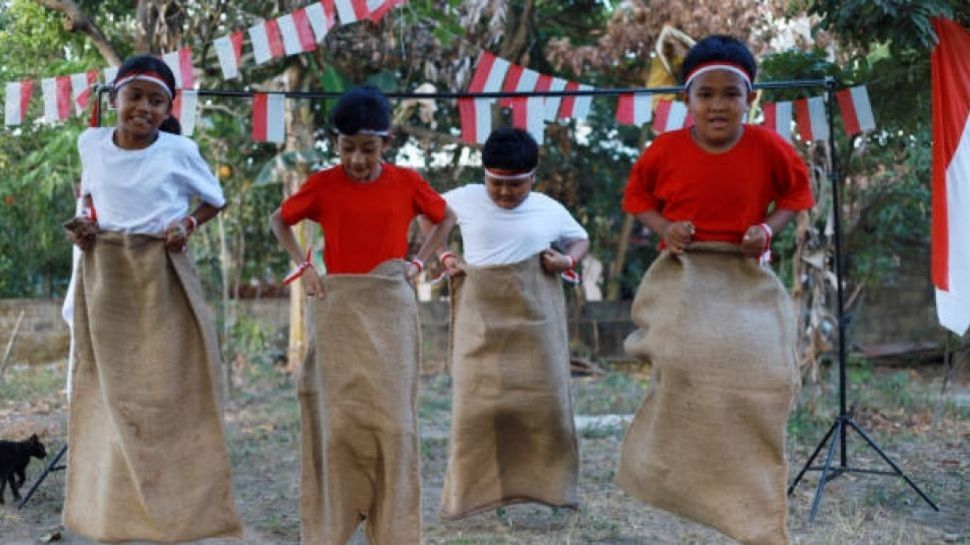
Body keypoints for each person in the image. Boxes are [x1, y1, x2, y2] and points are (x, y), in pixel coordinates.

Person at [616, 35, 814, 545]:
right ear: (687, 100)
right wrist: (665, 227)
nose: (719, 105)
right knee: (682, 359)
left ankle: (746, 489)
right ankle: (672, 469)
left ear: (751, 100)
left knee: (768, 374)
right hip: (687, 272)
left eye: (732, 94)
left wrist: (769, 229)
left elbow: (796, 194)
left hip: (745, 274)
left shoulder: (770, 146)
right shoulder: (664, 150)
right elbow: (637, 198)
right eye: (706, 94)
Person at [62, 55, 241, 542]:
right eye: (134, 96)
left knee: (166, 394)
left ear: (168, 108)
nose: (143, 108)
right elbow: (91, 199)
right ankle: (109, 512)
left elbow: (215, 200)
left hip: (160, 273)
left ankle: (178, 511)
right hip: (105, 275)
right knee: (107, 393)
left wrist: (186, 223)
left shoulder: (180, 150)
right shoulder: (90, 143)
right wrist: (85, 229)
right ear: (114, 98)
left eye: (156, 100)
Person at [269, 86, 456, 545]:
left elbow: (446, 217)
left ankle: (391, 526)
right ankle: (336, 519)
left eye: (367, 149)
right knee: (340, 422)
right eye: (347, 147)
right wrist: (305, 266)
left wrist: (419, 261)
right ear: (336, 144)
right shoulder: (322, 184)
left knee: (394, 422)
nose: (356, 158)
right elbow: (280, 220)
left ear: (386, 144)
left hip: (391, 307)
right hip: (339, 312)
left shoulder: (408, 183)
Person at [432, 127, 589, 520]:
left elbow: (580, 239)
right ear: (484, 174)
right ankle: (479, 497)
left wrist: (566, 261)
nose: (504, 193)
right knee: (477, 412)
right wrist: (444, 256)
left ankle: (556, 494)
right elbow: (429, 222)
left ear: (532, 176)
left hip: (535, 327)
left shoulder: (549, 208)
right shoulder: (460, 199)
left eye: (515, 185)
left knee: (548, 409)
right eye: (495, 184)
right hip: (480, 325)